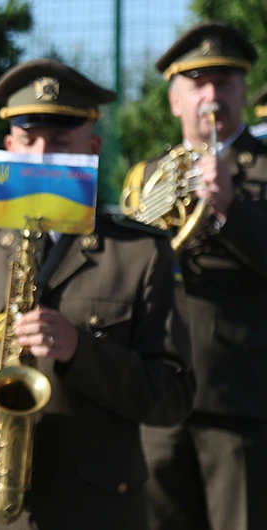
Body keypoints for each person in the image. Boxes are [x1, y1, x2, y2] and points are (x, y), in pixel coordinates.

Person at [0, 59, 195, 530]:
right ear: (10, 146)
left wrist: (82, 351)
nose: (42, 157)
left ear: (92, 150)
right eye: (30, 142)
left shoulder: (140, 252)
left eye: (60, 143)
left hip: (94, 511)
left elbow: (173, 395)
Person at [123, 22, 267, 530]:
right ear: (174, 100)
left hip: (237, 391)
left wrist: (229, 207)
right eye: (197, 83)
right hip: (159, 385)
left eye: (225, 82)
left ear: (244, 92)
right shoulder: (147, 177)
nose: (211, 95)